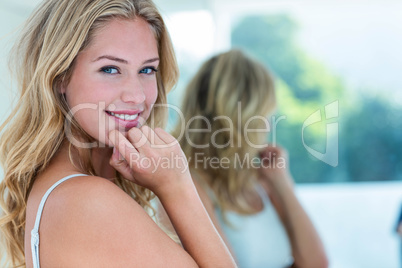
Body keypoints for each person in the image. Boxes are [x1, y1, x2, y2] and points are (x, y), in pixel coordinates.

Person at [0, 0, 236, 267]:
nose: (136, 96)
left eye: (147, 70)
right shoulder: (88, 200)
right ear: (60, 77)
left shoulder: (66, 190)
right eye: (110, 69)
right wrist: (177, 187)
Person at [172, 49, 329, 268]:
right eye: (265, 115)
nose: (268, 125)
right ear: (243, 118)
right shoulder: (188, 183)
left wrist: (283, 184)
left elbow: (316, 264)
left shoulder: (264, 181)